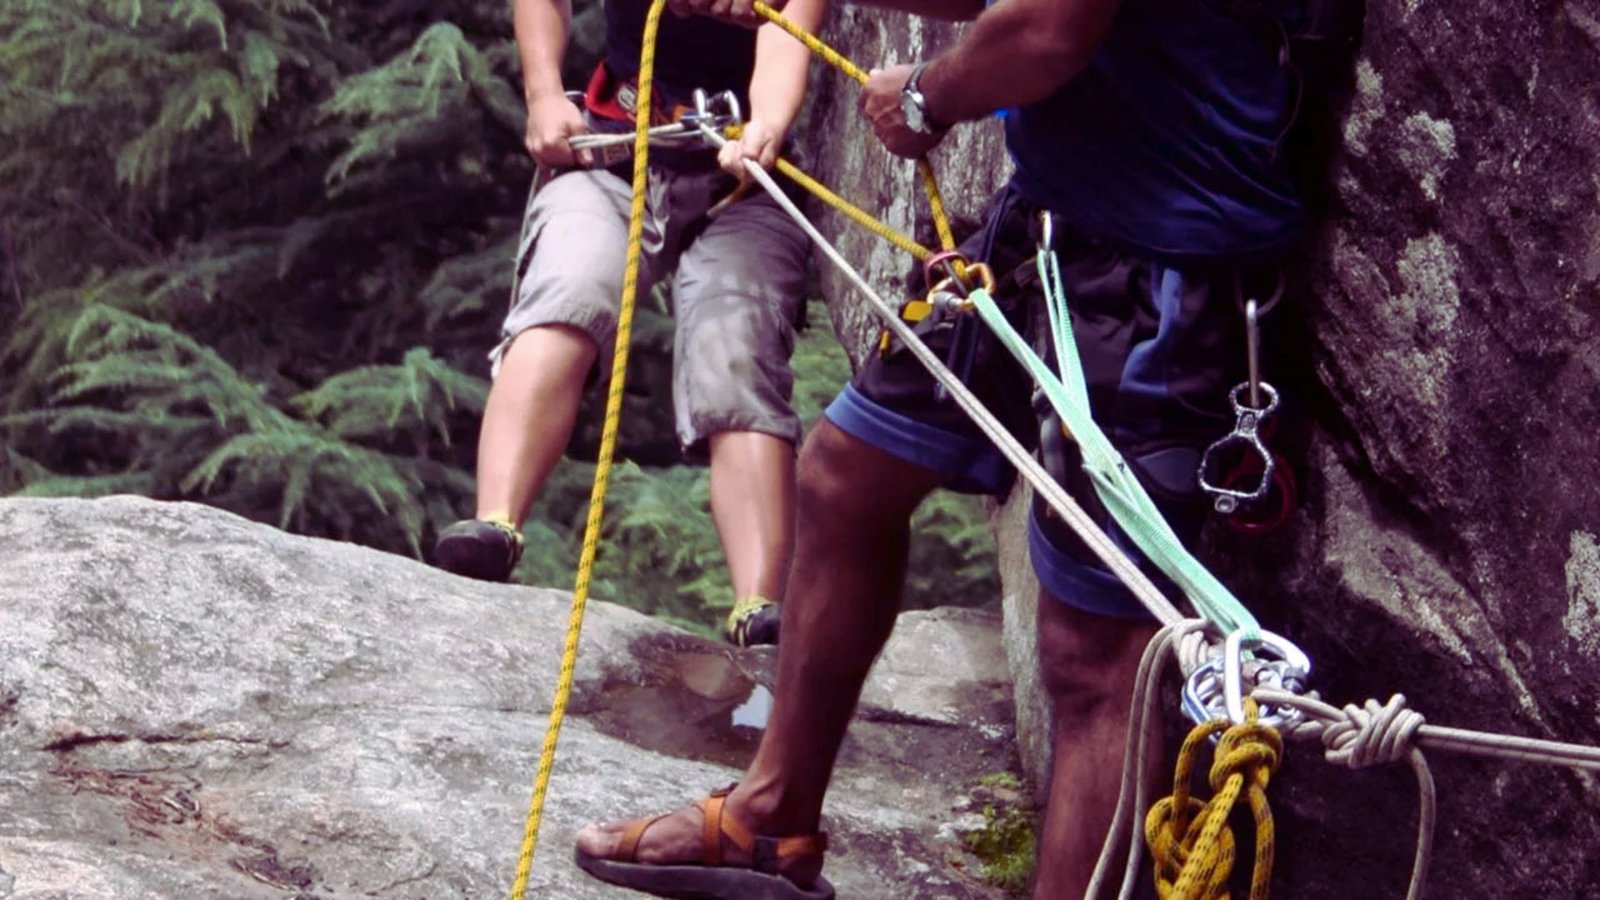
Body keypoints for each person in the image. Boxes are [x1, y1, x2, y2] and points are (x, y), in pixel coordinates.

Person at [572, 0, 1330, 896]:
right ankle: (769, 823)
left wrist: (929, 98)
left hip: (1162, 275)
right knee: (848, 476)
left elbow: (1050, 28)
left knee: (1097, 655)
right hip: (1045, 238)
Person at [432, 0, 827, 648]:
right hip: (613, 149)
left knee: (736, 353)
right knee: (569, 293)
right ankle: (494, 527)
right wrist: (542, 94)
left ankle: (760, 607)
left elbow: (789, 30)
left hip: (746, 177)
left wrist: (768, 125)